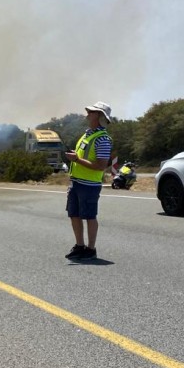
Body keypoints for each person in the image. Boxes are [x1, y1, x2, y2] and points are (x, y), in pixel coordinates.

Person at [64, 102, 113, 260]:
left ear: (99, 116)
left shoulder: (103, 139)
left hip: (89, 185)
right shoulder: (87, 134)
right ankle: (79, 246)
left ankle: (91, 249)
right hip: (77, 183)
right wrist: (76, 157)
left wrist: (76, 159)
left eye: (91, 112)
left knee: (90, 217)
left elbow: (101, 166)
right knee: (74, 215)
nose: (87, 114)